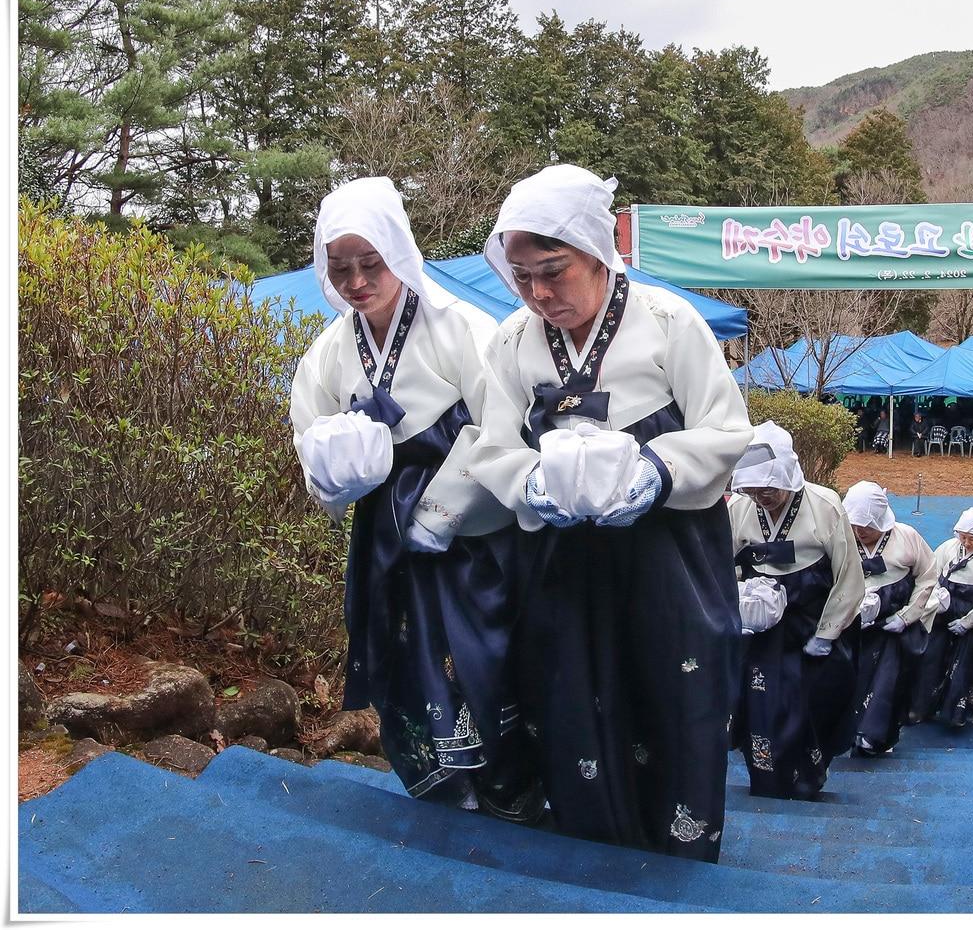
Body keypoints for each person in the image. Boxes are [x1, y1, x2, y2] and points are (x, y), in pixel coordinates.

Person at [463, 164, 752, 862]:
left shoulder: (667, 322)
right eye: (524, 275)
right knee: (572, 708)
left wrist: (658, 470)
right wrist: (530, 483)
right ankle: (597, 863)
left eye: (554, 271)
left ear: (597, 250)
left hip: (668, 559)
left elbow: (725, 427)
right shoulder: (511, 342)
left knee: (675, 703)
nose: (538, 293)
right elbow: (493, 443)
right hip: (562, 562)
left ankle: (678, 866)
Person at [289, 177, 538, 820]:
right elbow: (310, 444)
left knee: (484, 648)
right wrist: (337, 473)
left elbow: (502, 426)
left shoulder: (462, 328)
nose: (355, 281)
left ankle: (510, 785)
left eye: (370, 264)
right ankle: (439, 785)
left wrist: (444, 508)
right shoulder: (327, 352)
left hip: (467, 533)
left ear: (399, 253)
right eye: (339, 268)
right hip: (385, 536)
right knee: (400, 652)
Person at [729, 421, 864, 800]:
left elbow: (848, 575)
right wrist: (737, 608)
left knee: (810, 704)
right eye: (752, 488)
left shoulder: (825, 506)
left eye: (768, 488)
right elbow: (727, 565)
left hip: (811, 621)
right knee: (761, 704)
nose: (761, 496)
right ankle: (766, 781)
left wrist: (827, 633)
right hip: (761, 628)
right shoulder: (740, 508)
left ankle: (807, 777)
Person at [842, 481, 939, 755]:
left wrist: (907, 616)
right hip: (855, 623)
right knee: (852, 679)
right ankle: (850, 730)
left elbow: (928, 576)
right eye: (855, 526)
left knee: (888, 680)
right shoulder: (845, 538)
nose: (860, 533)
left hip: (893, 625)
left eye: (867, 527)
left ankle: (876, 737)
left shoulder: (906, 537)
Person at [906, 507, 973, 728]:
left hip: (972, 624)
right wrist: (936, 600)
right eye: (963, 537)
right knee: (931, 663)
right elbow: (931, 575)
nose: (967, 543)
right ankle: (923, 707)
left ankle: (957, 714)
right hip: (943, 618)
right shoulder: (948, 549)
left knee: (964, 670)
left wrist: (967, 622)